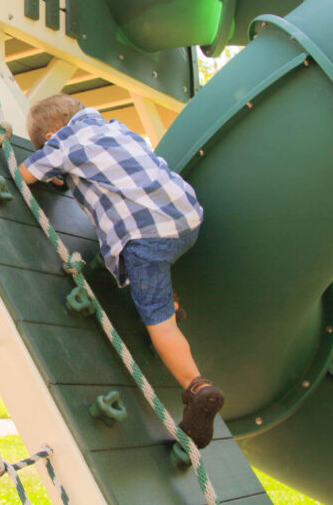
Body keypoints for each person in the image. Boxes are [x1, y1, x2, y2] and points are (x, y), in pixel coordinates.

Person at [19, 93, 224, 449]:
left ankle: (197, 387)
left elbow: (26, 173)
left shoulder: (63, 142)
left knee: (159, 323)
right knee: (159, 266)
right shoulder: (115, 128)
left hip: (146, 236)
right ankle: (169, 299)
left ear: (51, 135)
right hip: (187, 218)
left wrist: (49, 168)